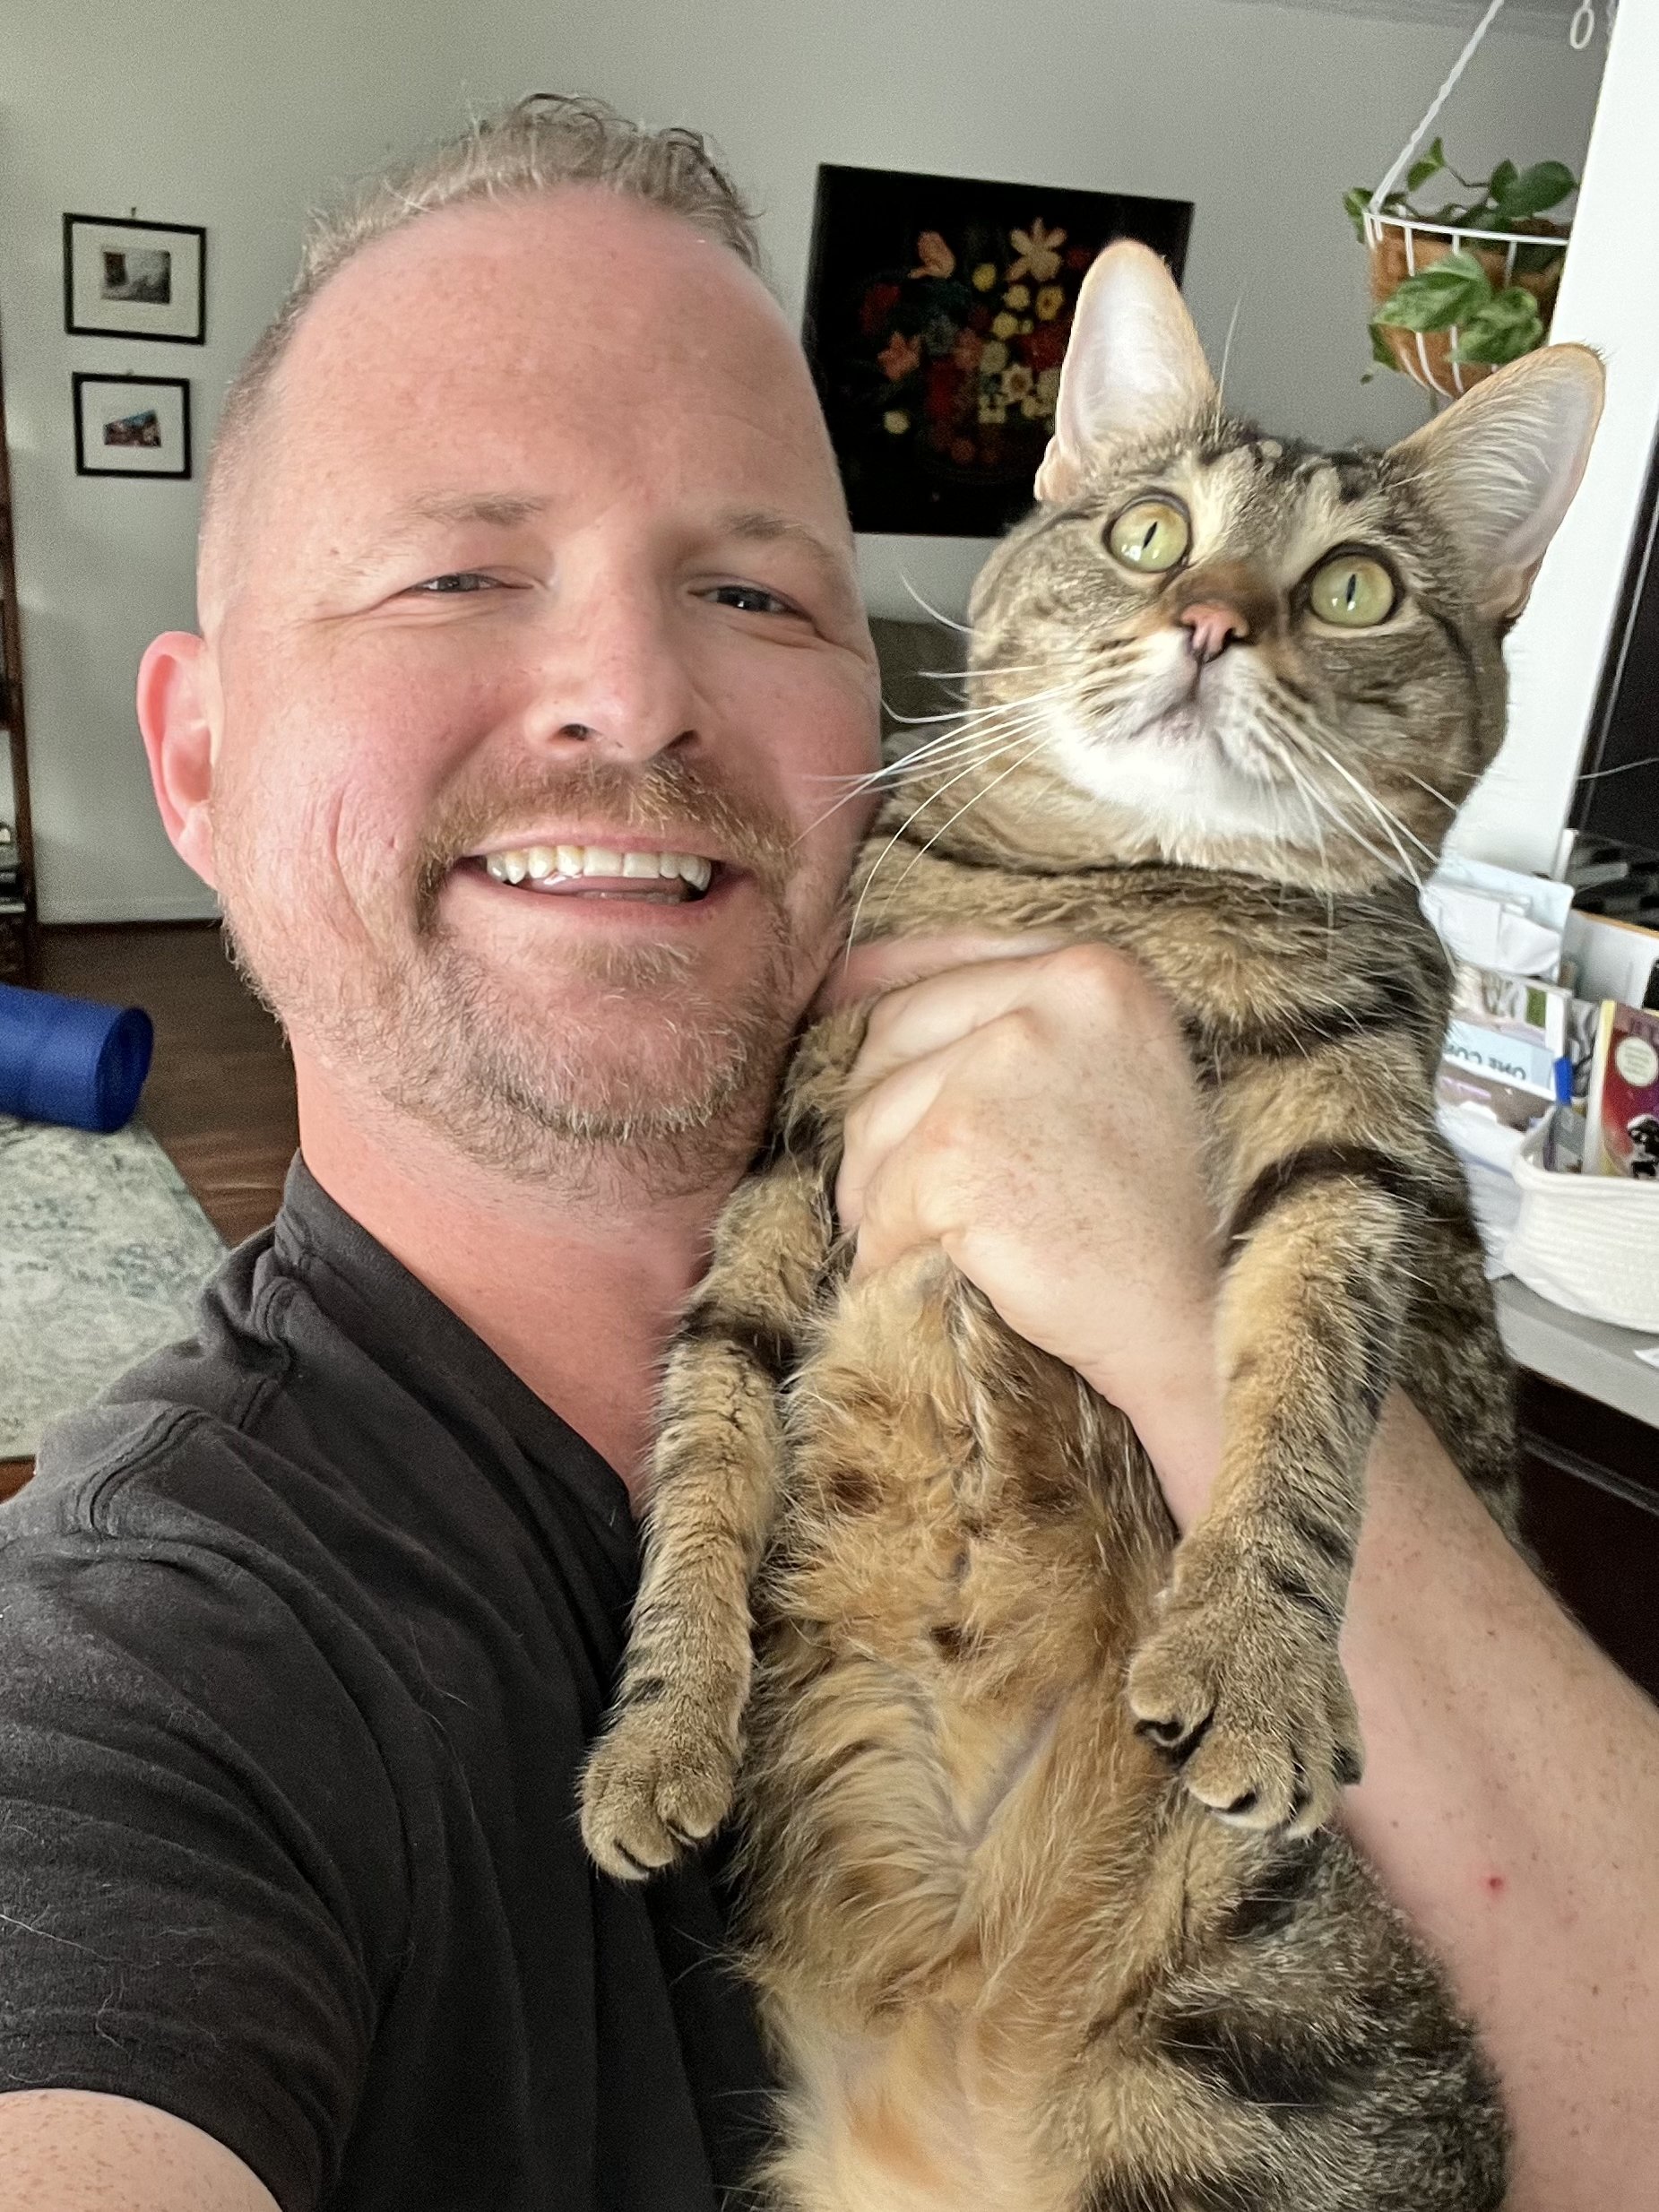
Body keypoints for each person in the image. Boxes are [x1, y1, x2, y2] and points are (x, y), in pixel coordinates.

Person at [0, 95, 1652, 2212]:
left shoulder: (1285, 1181)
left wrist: (1179, 1317)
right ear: (199, 764)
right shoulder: (152, 1667)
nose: (625, 691)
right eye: (456, 572)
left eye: (751, 590)